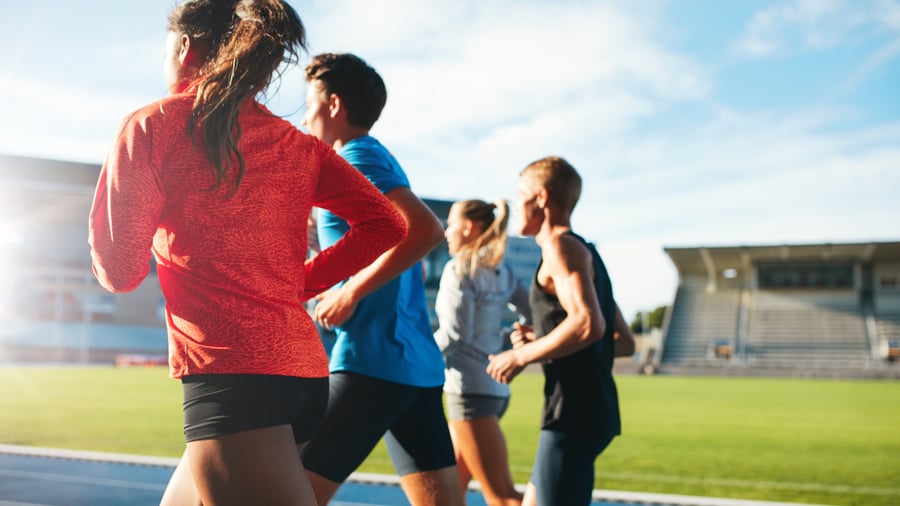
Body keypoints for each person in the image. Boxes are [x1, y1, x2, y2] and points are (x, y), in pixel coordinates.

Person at [88, 2, 407, 504]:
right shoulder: (300, 145)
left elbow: (120, 272)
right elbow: (386, 224)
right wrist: (298, 283)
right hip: (302, 374)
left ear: (184, 48)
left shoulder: (152, 125)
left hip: (235, 378)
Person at [298, 53, 464, 506]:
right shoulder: (366, 158)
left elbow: (426, 229)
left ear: (333, 104)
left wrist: (349, 292)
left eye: (308, 101)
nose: (304, 113)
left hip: (372, 360)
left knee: (287, 495)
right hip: (413, 366)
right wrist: (322, 249)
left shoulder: (357, 155)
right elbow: (377, 247)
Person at [486, 156, 636, 506]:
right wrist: (542, 339)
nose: (515, 202)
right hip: (586, 409)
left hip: (573, 412)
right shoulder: (587, 253)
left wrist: (521, 354)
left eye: (520, 193)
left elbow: (587, 324)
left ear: (541, 197)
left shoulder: (560, 246)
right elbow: (622, 342)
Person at [434, 199, 531, 505]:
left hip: (469, 394)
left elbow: (454, 335)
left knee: (503, 498)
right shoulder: (502, 271)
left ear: (468, 227)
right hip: (494, 391)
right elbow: (533, 314)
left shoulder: (458, 269)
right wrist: (504, 340)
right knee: (450, 492)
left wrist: (415, 355)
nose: (445, 231)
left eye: (450, 223)